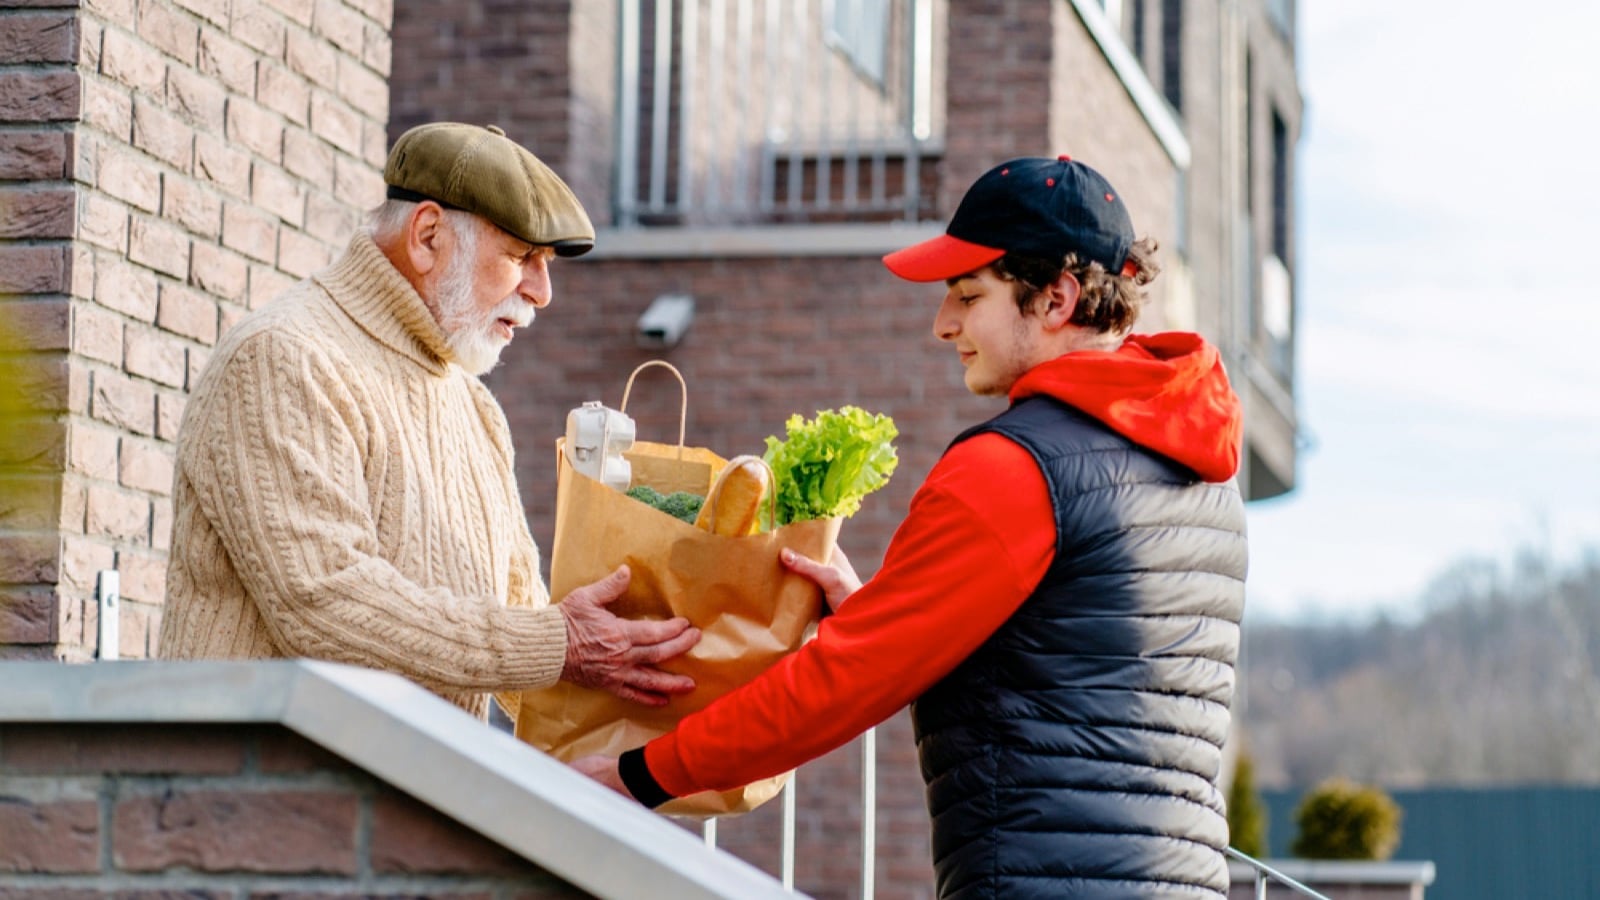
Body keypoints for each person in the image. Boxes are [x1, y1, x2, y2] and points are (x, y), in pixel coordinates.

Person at [576, 156, 1248, 898]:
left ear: (1056, 297)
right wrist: (890, 610)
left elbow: (843, 683)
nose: (943, 324)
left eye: (968, 294)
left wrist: (635, 775)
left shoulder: (1014, 467)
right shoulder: (1205, 477)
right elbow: (1086, 675)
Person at [158, 122, 700, 724]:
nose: (542, 292)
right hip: (256, 808)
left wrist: (689, 660)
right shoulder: (282, 357)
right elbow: (326, 603)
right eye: (522, 257)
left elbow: (525, 644)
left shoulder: (474, 410)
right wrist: (558, 644)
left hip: (397, 809)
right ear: (428, 235)